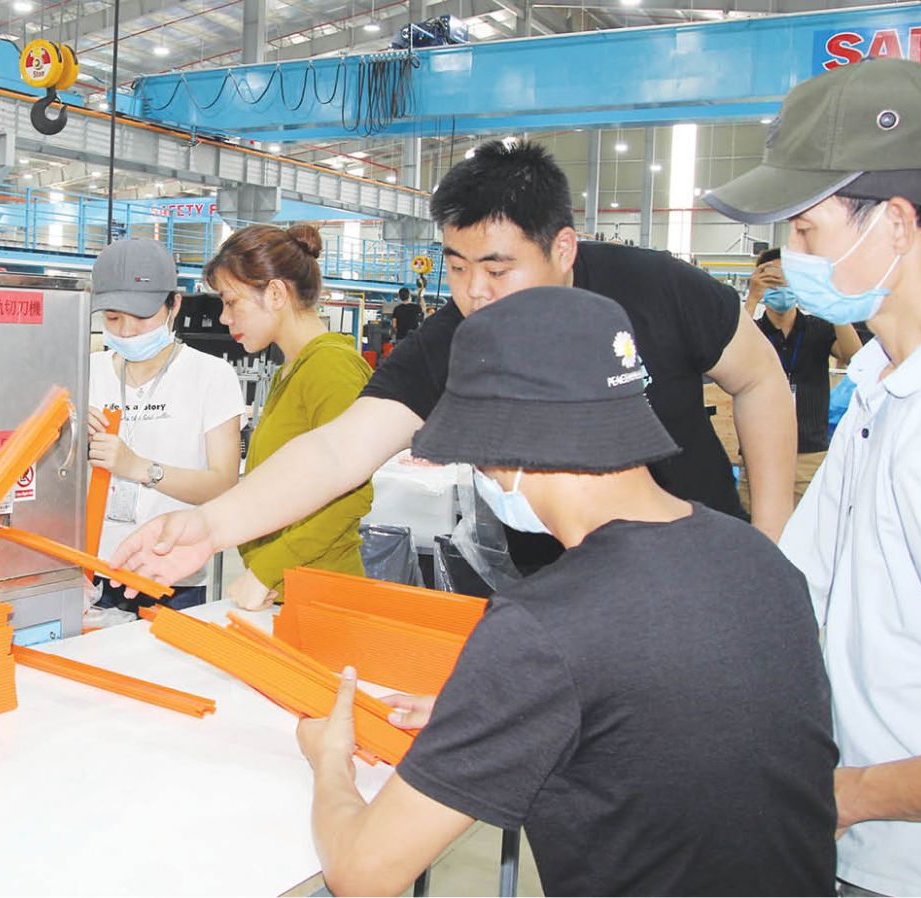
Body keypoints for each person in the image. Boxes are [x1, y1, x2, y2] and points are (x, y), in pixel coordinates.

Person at [295, 286, 837, 896]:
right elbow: (662, 728)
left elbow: (362, 873)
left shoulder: (546, 625)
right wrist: (492, 708)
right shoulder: (761, 562)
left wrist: (329, 759)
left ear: (504, 446)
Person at [111, 140, 796, 593]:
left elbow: (761, 379)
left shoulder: (657, 289)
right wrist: (213, 526)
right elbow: (337, 451)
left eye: (498, 268)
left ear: (561, 247)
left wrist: (771, 542)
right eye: (457, 267)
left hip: (699, 564)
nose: (475, 293)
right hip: (561, 586)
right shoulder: (456, 337)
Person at [706, 57, 921, 897]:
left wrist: (852, 796)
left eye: (806, 231)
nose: (793, 257)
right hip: (860, 852)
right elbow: (792, 593)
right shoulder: (882, 389)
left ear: (897, 223)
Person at [205, 224, 373, 611]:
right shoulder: (292, 369)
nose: (224, 318)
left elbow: (352, 496)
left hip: (324, 597)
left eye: (231, 302)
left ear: (276, 293)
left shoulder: (331, 368)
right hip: (289, 592)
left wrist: (266, 571)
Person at [86, 238, 244, 610]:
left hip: (172, 575)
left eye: (141, 317)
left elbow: (223, 485)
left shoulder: (210, 376)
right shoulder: (86, 371)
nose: (126, 331)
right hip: (90, 570)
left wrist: (139, 468)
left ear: (174, 305)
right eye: (112, 318)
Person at [743, 247, 863, 505]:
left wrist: (832, 303)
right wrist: (751, 299)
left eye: (787, 277)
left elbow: (855, 357)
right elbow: (734, 353)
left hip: (809, 453)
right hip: (759, 452)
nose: (780, 284)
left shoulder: (819, 329)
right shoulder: (752, 331)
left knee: (809, 525)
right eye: (772, 276)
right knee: (755, 524)